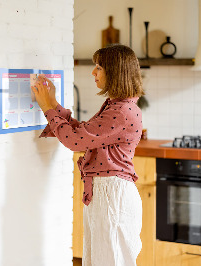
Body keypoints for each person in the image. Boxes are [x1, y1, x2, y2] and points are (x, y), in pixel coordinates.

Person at [32, 44, 144, 266]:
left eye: (99, 67)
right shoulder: (117, 106)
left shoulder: (121, 111)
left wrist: (47, 108)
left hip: (112, 195)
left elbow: (75, 141)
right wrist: (53, 103)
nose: (93, 72)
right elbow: (83, 133)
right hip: (107, 193)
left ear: (115, 72)